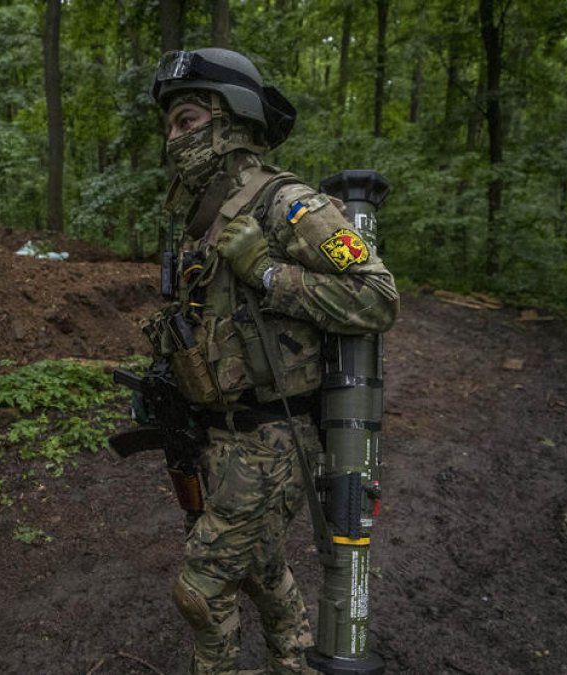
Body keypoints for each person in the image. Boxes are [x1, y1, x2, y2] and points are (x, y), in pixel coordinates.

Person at [144, 48, 400, 675]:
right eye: (169, 126)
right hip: (219, 434)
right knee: (260, 568)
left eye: (186, 120)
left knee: (200, 589)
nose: (174, 139)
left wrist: (265, 271)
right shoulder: (203, 218)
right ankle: (293, 659)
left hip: (273, 439)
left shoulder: (289, 204)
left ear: (232, 120)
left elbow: (377, 297)